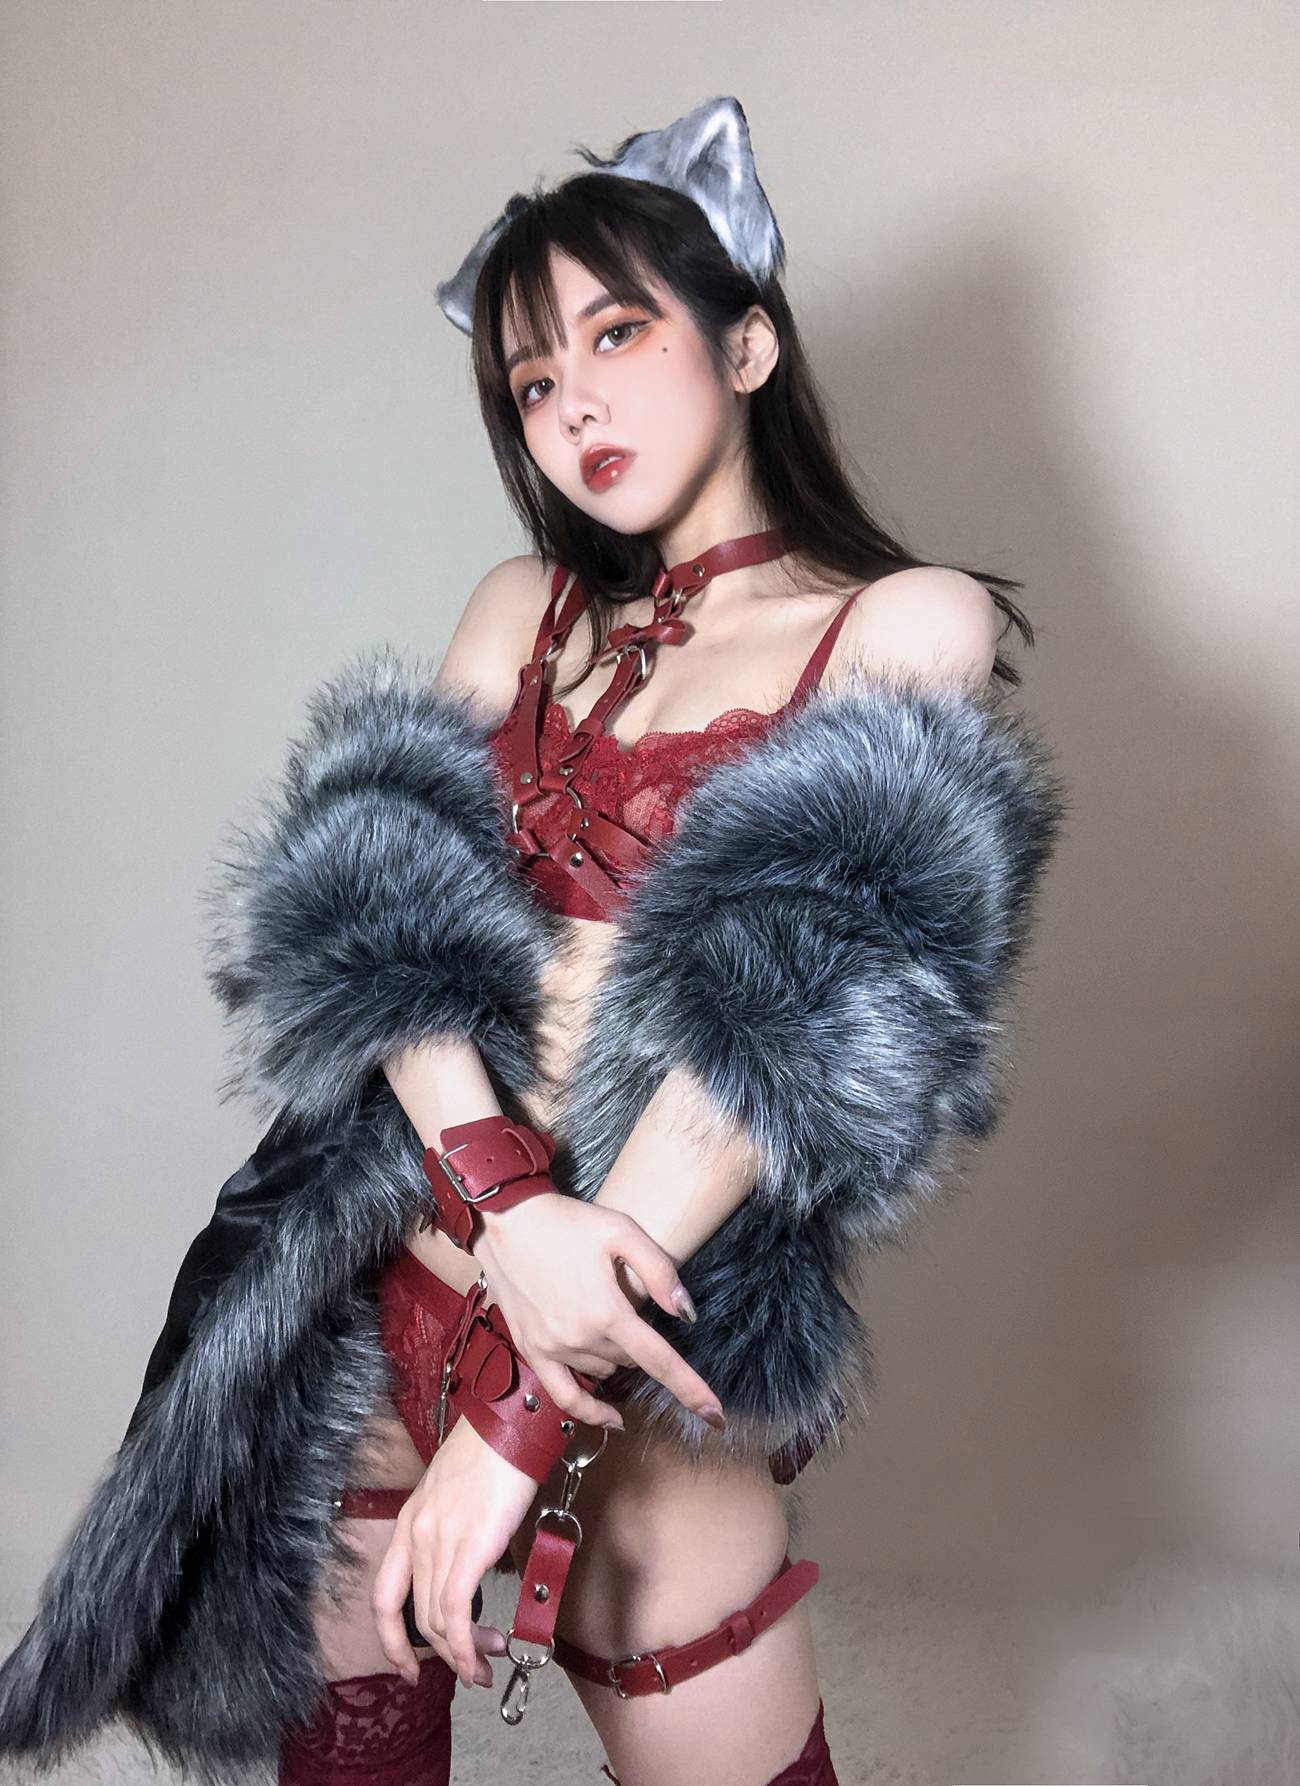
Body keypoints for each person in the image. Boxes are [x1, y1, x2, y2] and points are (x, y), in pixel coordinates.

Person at [0, 96, 1066, 1786]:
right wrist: (506, 1209)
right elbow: (382, 920)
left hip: (645, 1353)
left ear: (750, 344)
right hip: (393, 1294)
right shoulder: (525, 607)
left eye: (617, 334)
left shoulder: (901, 622)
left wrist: (517, 1409)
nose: (572, 402)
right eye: (530, 377)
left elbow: (792, 1027)